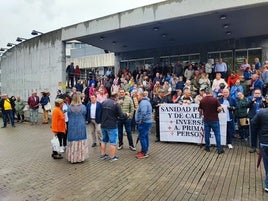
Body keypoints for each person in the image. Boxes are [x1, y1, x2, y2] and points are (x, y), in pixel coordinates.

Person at [100, 93, 128, 162]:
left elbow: (100, 113)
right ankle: (112, 157)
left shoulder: (103, 102)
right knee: (113, 142)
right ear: (116, 97)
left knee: (104, 140)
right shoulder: (116, 105)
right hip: (112, 125)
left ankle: (103, 155)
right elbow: (121, 115)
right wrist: (126, 114)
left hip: (103, 124)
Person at [199, 87, 224, 154]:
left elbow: (200, 110)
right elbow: (220, 108)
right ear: (211, 92)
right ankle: (219, 149)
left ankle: (207, 147)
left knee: (207, 134)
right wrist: (217, 111)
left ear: (205, 92)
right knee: (217, 134)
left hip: (206, 119)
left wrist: (201, 115)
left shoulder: (202, 100)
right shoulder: (215, 100)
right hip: (214, 119)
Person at [66, 93, 89, 163]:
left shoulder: (69, 107)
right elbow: (85, 113)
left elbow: (68, 114)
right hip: (81, 124)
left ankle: (73, 158)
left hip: (72, 125)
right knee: (80, 140)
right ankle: (80, 157)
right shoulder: (83, 107)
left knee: (72, 141)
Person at [251, 107, 268, 192]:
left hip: (264, 141)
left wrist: (260, 129)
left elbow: (253, 122)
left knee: (266, 163)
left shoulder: (261, 112)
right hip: (264, 141)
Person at [135, 91, 153, 159]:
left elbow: (143, 113)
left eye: (138, 95)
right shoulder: (145, 102)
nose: (137, 97)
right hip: (146, 122)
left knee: (142, 137)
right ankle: (145, 150)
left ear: (141, 96)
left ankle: (144, 152)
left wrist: (140, 121)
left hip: (144, 123)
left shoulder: (143, 103)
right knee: (145, 136)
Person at [247, 89, 266, 153]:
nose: (257, 94)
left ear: (260, 94)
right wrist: (252, 101)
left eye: (258, 93)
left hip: (261, 119)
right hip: (253, 118)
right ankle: (253, 147)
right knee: (253, 133)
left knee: (260, 133)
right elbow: (247, 106)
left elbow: (266, 108)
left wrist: (265, 102)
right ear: (253, 94)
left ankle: (260, 148)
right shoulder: (250, 99)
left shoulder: (263, 99)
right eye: (255, 93)